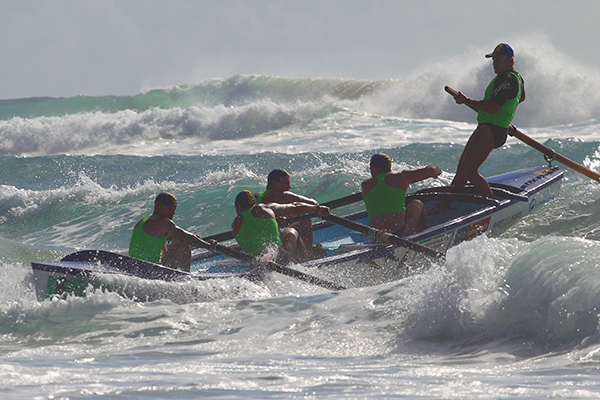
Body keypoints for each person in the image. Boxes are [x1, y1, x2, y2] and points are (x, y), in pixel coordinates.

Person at [450, 43, 526, 198]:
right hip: (492, 127)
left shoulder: (507, 79)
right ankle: (445, 205)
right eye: (494, 60)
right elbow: (521, 97)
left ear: (510, 61)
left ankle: (491, 203)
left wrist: (467, 101)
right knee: (462, 170)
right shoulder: (516, 78)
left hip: (491, 129)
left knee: (468, 171)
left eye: (498, 60)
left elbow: (492, 107)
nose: (495, 63)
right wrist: (507, 111)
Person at [233, 190, 330, 263]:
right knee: (291, 230)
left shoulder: (235, 225)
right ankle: (306, 262)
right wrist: (317, 209)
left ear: (238, 207)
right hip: (279, 257)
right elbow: (294, 207)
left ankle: (303, 259)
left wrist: (274, 223)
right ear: (255, 203)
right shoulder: (263, 208)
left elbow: (255, 232)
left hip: (258, 262)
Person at [129, 192, 213, 272]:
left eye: (174, 210)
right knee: (184, 242)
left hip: (134, 268)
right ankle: (186, 277)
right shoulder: (163, 222)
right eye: (170, 209)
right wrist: (209, 246)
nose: (173, 213)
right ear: (158, 206)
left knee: (181, 239)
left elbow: (175, 238)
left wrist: (198, 240)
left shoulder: (142, 222)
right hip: (151, 271)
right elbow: (186, 238)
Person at [362, 153, 442, 236]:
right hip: (400, 232)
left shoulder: (365, 185)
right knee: (417, 203)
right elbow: (432, 170)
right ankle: (424, 236)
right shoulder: (400, 177)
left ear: (374, 168)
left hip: (378, 237)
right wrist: (437, 171)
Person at [254, 169, 324, 258]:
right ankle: (309, 253)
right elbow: (314, 203)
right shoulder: (277, 196)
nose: (289, 187)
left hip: (260, 243)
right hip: (274, 243)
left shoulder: (257, 196)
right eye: (286, 183)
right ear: (274, 183)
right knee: (305, 220)